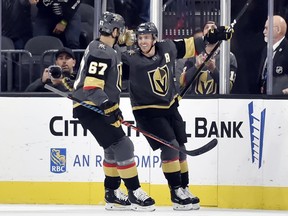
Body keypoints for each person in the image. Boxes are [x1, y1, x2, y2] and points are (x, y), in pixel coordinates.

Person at [121, 22, 232, 210]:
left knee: (180, 147)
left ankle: (184, 188)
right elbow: (112, 73)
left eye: (147, 37)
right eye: (140, 38)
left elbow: (194, 45)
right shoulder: (130, 59)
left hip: (170, 107)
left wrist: (215, 37)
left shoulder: (167, 47)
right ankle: (175, 193)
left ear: (154, 38)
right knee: (171, 147)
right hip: (146, 111)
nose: (143, 42)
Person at [72, 12, 155, 211]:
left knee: (111, 148)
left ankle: (112, 193)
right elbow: (91, 87)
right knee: (123, 144)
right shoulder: (102, 51)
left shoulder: (109, 49)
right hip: (90, 107)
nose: (126, 34)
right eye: (122, 30)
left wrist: (110, 106)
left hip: (95, 106)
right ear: (115, 31)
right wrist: (107, 105)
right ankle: (134, 192)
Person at [179, 21, 237, 94]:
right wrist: (196, 67)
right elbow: (182, 82)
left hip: (218, 103)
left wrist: (214, 70)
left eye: (213, 28)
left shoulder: (228, 57)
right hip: (195, 103)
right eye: (207, 27)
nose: (210, 29)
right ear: (203, 33)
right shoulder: (194, 55)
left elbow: (229, 87)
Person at [257, 15, 288, 95]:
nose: (264, 32)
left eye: (266, 28)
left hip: (282, 101)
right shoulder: (265, 50)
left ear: (277, 30)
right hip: (264, 100)